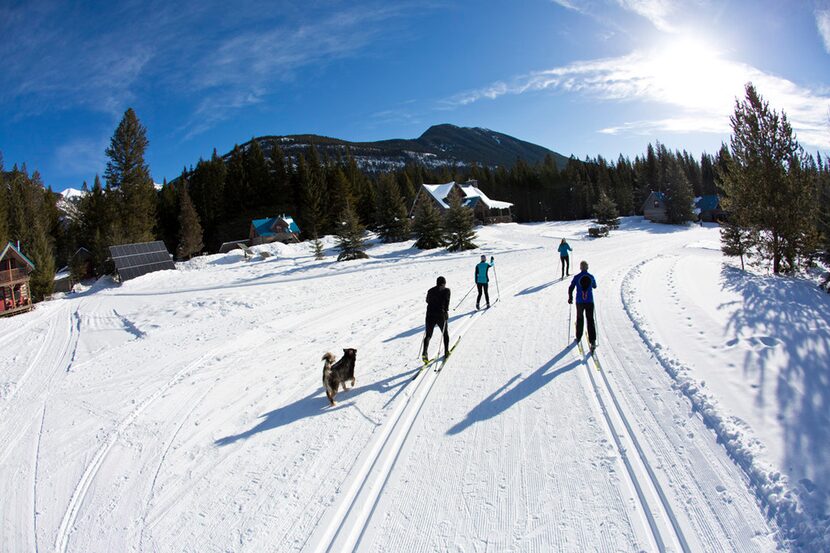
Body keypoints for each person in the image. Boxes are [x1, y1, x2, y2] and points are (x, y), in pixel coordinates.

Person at [568, 260, 597, 350]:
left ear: (580, 268)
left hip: (579, 301)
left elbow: (571, 287)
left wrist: (570, 297)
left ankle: (579, 336)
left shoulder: (577, 277)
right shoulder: (591, 277)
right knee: (590, 320)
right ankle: (592, 341)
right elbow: (594, 286)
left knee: (580, 318)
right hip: (589, 301)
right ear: (587, 267)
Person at [423, 276, 451, 362]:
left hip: (430, 315)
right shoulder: (447, 291)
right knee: (445, 333)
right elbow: (447, 303)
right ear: (443, 283)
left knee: (428, 335)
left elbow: (427, 301)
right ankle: (446, 351)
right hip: (440, 315)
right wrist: (446, 311)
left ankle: (425, 352)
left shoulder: (430, 290)